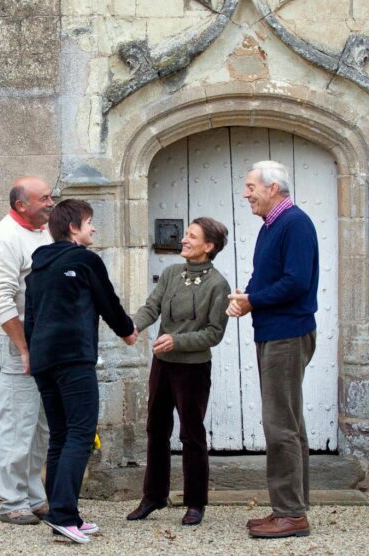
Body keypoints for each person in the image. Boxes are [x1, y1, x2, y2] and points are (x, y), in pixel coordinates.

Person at [24, 199, 138, 544]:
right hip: (73, 356)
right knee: (81, 434)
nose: (94, 228)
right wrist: (127, 331)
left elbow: (31, 319)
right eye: (89, 222)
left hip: (44, 360)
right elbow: (108, 301)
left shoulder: (37, 269)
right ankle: (62, 514)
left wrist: (32, 355)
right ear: (74, 228)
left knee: (60, 435)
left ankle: (64, 515)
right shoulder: (86, 260)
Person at [226, 160, 318, 539]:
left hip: (287, 334)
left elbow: (296, 282)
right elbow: (266, 276)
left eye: (251, 187)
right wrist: (246, 297)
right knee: (289, 422)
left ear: (273, 188)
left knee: (279, 424)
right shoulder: (272, 225)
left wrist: (254, 301)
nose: (246, 194)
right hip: (274, 332)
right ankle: (291, 506)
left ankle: (291, 514)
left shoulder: (294, 223)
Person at [126, 217, 231, 527]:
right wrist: (132, 326)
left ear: (209, 246)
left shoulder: (218, 285)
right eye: (186, 234)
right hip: (163, 363)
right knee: (156, 429)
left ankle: (195, 502)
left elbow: (214, 333)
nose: (184, 239)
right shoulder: (172, 273)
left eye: (192, 236)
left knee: (191, 434)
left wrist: (178, 341)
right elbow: (152, 307)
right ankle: (154, 496)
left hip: (193, 369)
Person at [0, 176, 54, 525]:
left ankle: (34, 496)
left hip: (43, 342)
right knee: (17, 424)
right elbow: (0, 300)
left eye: (51, 197)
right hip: (17, 343)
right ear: (20, 205)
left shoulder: (45, 232)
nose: (51, 203)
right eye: (44, 199)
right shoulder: (4, 238)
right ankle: (12, 501)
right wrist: (23, 347)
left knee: (40, 426)